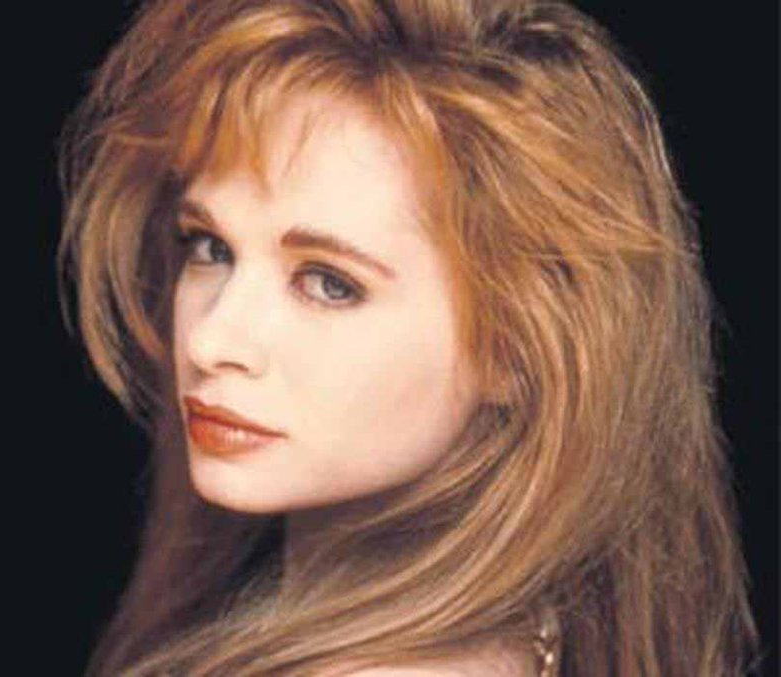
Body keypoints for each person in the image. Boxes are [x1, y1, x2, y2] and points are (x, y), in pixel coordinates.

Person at [54, 0, 761, 674]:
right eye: (210, 247)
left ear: (517, 349)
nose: (211, 341)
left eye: (329, 283)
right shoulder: (534, 625)